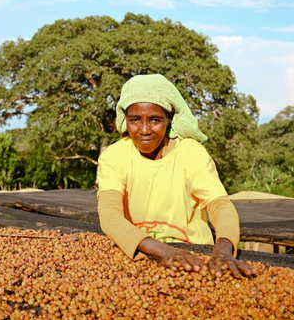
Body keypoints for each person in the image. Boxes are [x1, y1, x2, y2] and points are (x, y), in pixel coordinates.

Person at [97, 74, 255, 278]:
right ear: (124, 119)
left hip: (196, 258)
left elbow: (219, 204)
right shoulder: (115, 156)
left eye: (155, 120)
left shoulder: (190, 152)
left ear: (169, 119)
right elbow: (110, 215)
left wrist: (224, 248)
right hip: (142, 256)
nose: (144, 130)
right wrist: (163, 251)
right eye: (134, 120)